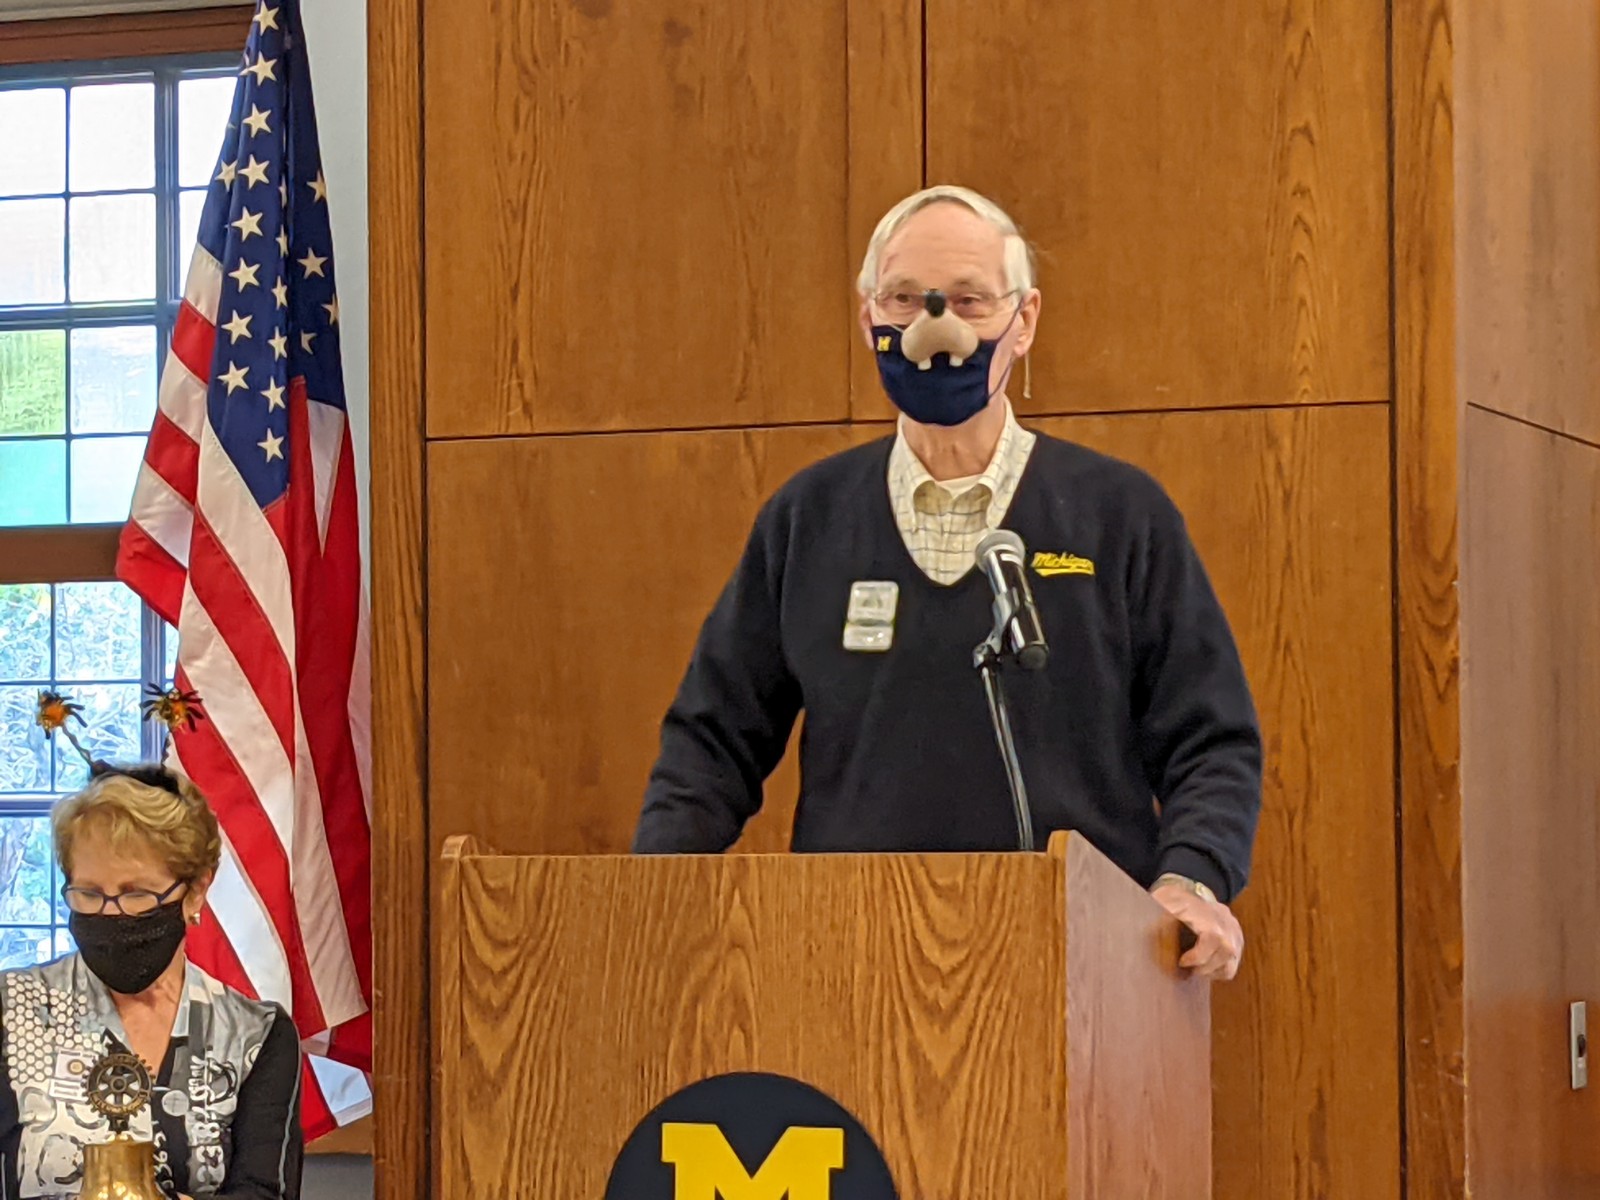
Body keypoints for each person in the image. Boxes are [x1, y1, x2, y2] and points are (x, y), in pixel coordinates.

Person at [633, 185, 1263, 981]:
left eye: (969, 300)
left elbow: (1211, 740)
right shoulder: (808, 519)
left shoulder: (1120, 515)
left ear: (1023, 320)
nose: (937, 327)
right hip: (850, 961)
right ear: (867, 313)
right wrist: (652, 898)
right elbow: (712, 740)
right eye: (905, 298)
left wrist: (1192, 880)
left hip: (1086, 967)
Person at [0, 764, 302, 1199]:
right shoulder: (12, 1013)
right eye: (89, 893)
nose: (110, 913)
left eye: (135, 893)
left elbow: (264, 1191)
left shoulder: (254, 1035)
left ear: (195, 891)